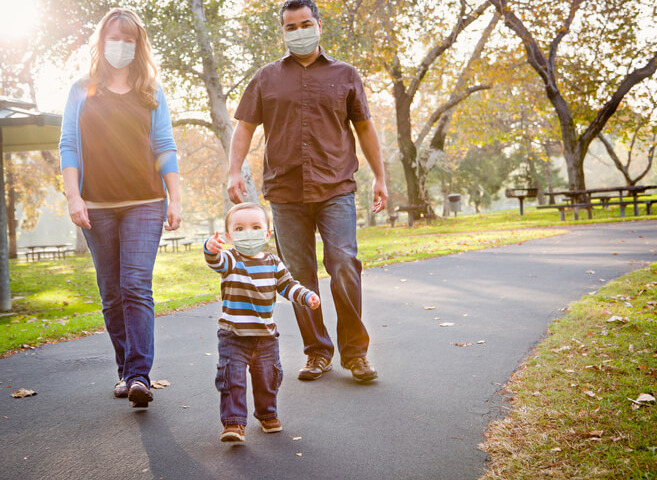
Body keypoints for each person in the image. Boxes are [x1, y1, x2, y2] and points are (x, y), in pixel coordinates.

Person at [227, 0, 388, 383]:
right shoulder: (265, 78)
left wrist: (380, 177)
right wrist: (234, 170)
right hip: (285, 192)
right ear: (282, 32)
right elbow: (245, 127)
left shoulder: (346, 74)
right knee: (299, 276)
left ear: (318, 25)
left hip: (336, 188)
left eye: (305, 23)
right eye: (290, 26)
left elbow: (365, 128)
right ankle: (317, 352)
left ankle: (355, 354)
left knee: (344, 264)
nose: (298, 31)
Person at [59, 8, 181, 408]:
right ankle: (126, 371)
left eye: (129, 40)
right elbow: (69, 147)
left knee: (134, 284)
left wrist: (174, 197)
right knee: (111, 292)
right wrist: (74, 196)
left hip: (145, 202)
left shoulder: (151, 91)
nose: (121, 46)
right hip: (96, 205)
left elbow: (164, 145)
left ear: (138, 45)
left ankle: (139, 375)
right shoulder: (81, 89)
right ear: (101, 41)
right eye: (115, 38)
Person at [204, 202, 320, 442]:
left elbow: (288, 285)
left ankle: (267, 414)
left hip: (265, 336)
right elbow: (215, 261)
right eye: (240, 228)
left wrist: (306, 295)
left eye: (256, 227)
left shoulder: (273, 262)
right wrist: (210, 248)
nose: (248, 233)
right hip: (233, 336)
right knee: (232, 379)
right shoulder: (231, 259)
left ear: (267, 233)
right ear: (229, 236)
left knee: (267, 378)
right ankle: (234, 423)